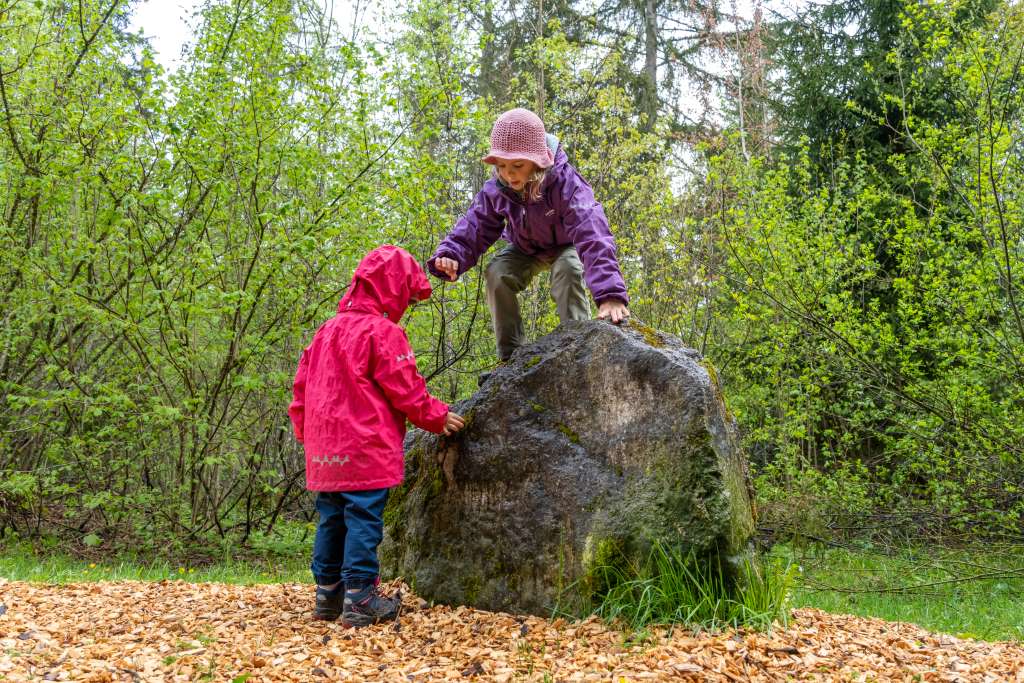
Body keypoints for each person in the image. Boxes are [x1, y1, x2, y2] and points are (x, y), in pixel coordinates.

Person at [288, 245, 465, 627]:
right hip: (365, 445)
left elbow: (301, 388)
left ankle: (327, 595)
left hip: (325, 447)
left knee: (331, 517)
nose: (406, 304)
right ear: (392, 288)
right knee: (364, 518)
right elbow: (405, 389)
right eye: (407, 294)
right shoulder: (382, 332)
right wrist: (437, 417)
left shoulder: (326, 331)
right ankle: (360, 598)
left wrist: (306, 433)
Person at [428, 107, 630, 367]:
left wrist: (610, 295)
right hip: (524, 248)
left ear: (538, 160)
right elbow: (475, 224)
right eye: (501, 166)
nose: (508, 174)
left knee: (568, 269)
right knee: (498, 272)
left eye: (517, 166)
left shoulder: (566, 183)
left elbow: (593, 232)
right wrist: (451, 254)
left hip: (564, 245)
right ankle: (510, 359)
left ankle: (580, 346)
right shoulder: (497, 189)